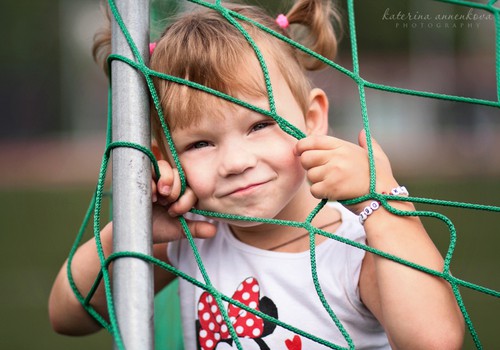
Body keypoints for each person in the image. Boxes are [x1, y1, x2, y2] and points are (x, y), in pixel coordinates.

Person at [49, 0, 465, 349]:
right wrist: (132, 227)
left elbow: (435, 341)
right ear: (168, 158)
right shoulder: (192, 238)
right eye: (200, 144)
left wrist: (385, 200)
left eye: (259, 125)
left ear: (313, 118)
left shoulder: (354, 248)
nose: (235, 161)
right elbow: (68, 314)